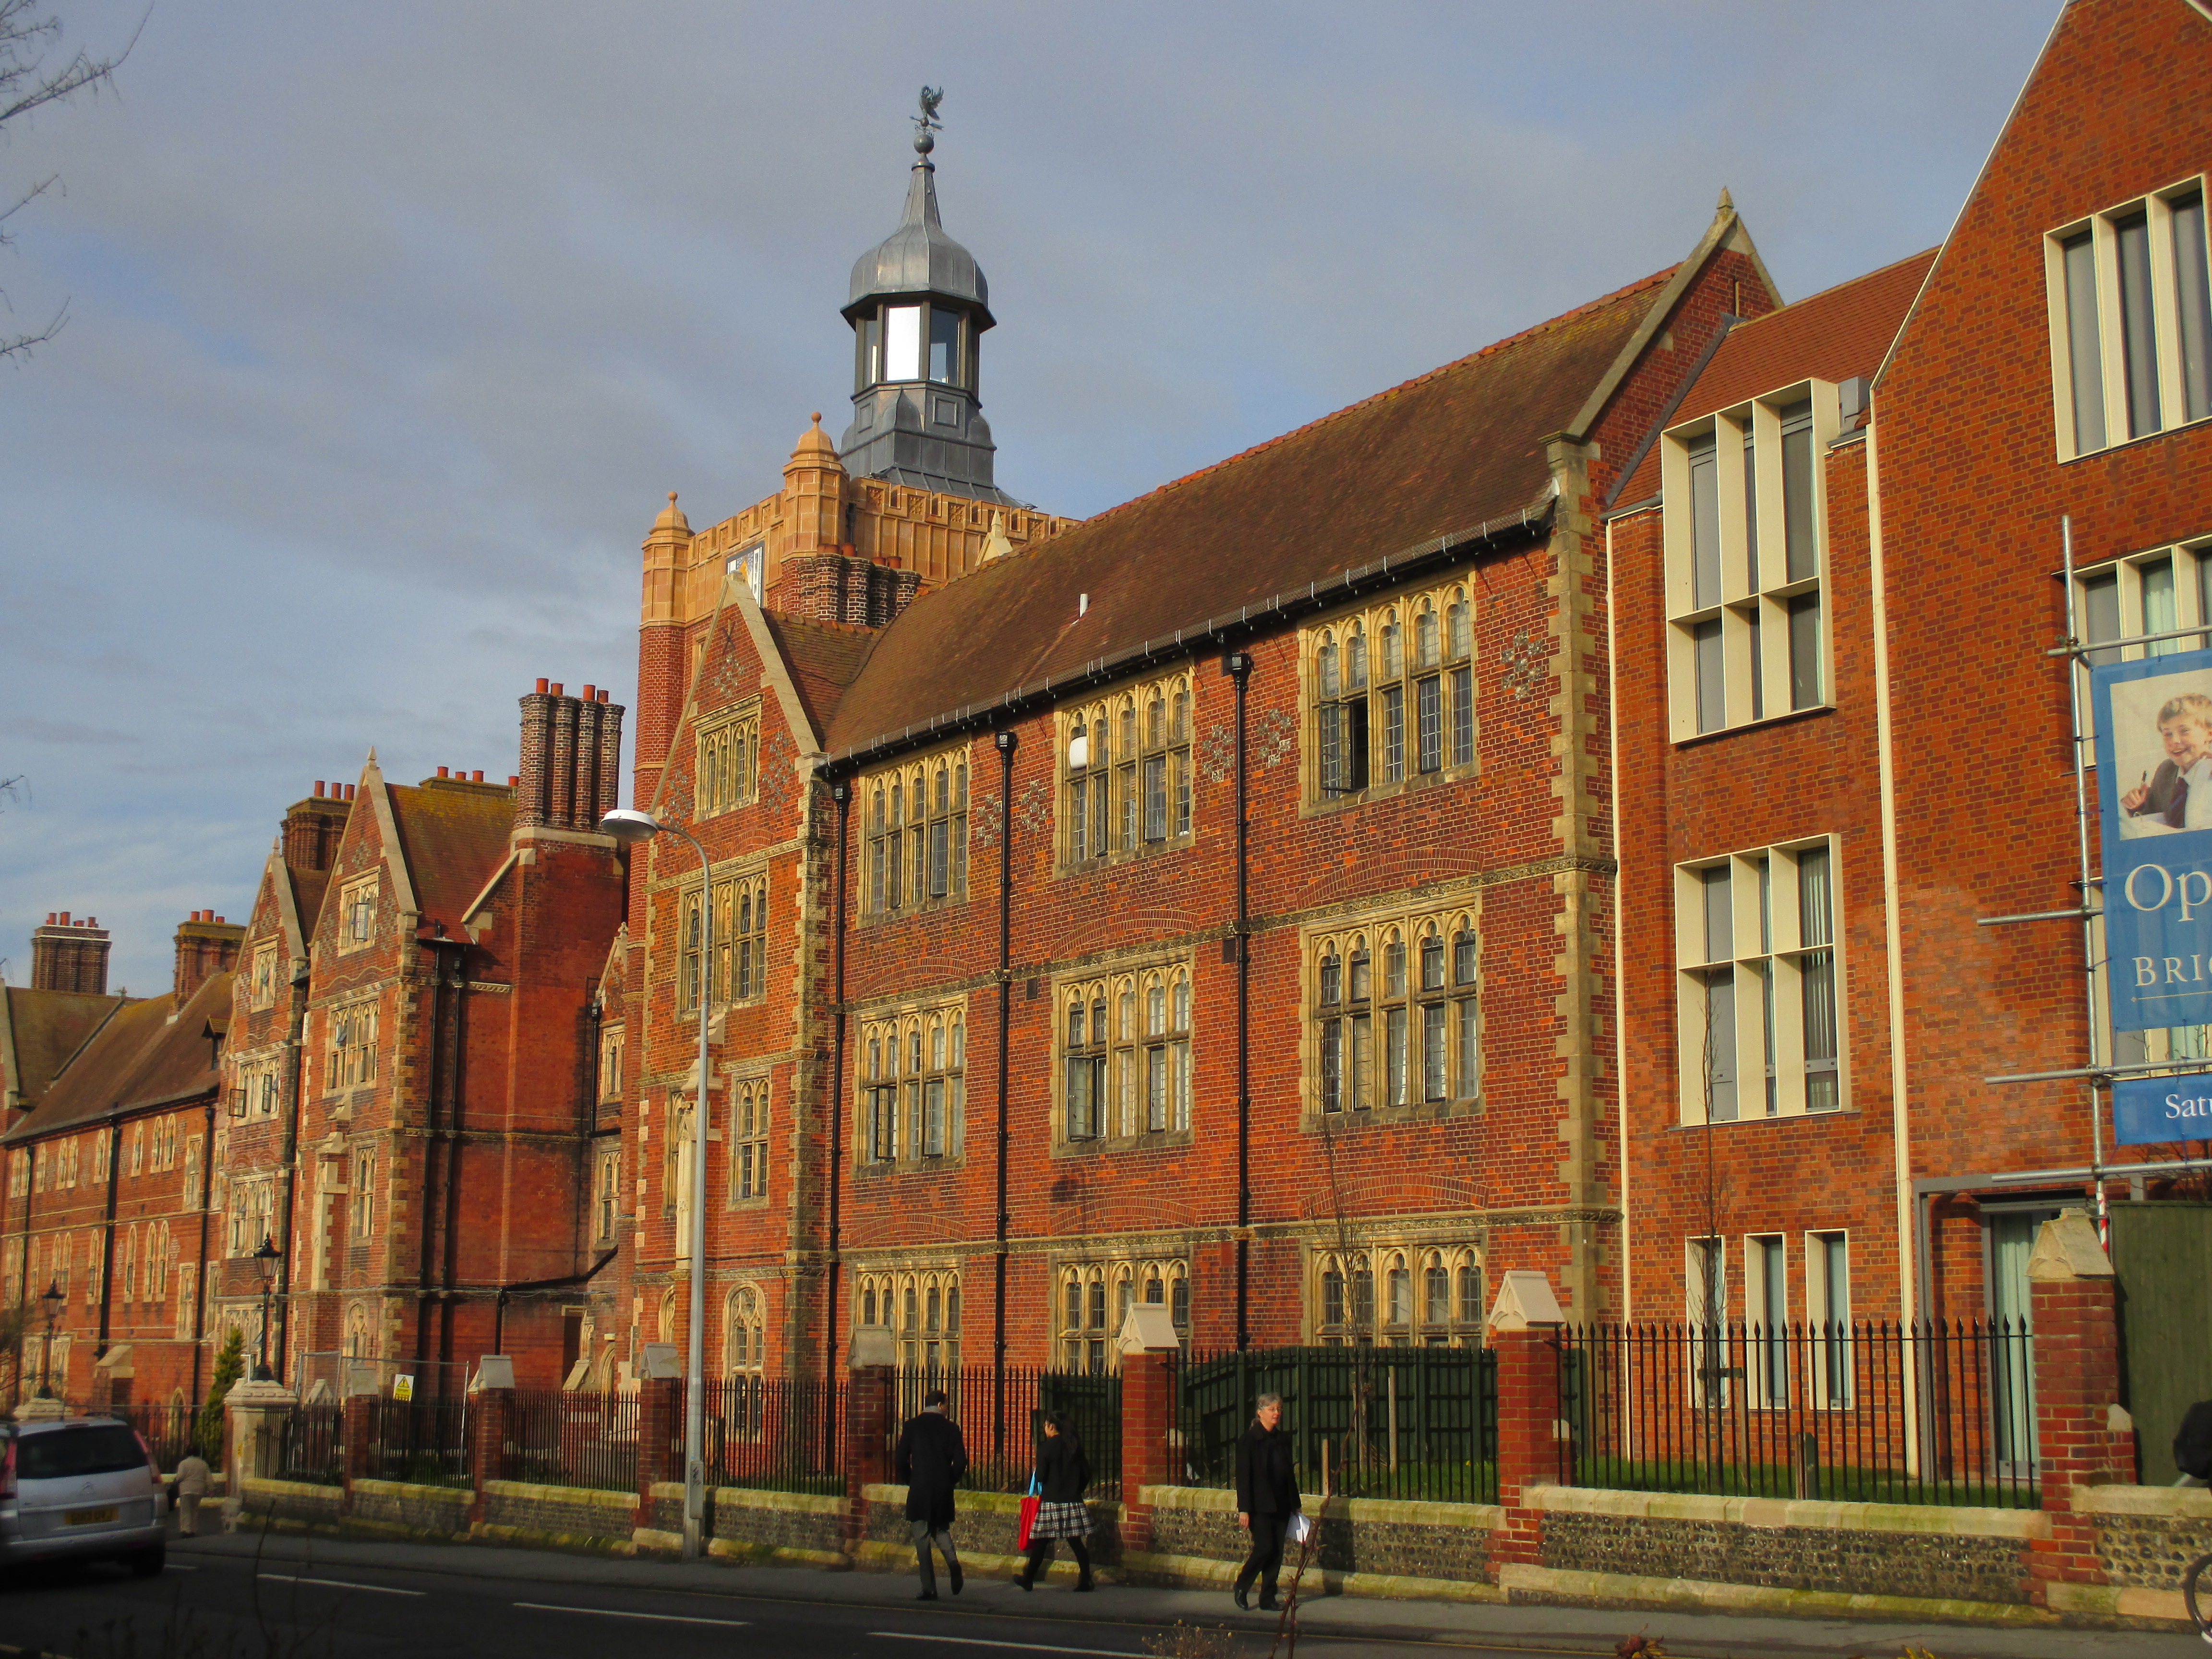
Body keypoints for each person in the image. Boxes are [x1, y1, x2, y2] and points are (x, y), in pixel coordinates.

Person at [893, 1386, 968, 1600]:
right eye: (947, 1406)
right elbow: (961, 1462)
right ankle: (953, 1563)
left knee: (922, 1537)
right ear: (940, 1405)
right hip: (942, 1488)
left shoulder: (912, 1426)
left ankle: (929, 1588)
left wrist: (910, 1478)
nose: (948, 1410)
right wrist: (949, 1479)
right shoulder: (952, 1429)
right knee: (941, 1530)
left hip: (920, 1487)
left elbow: (900, 1459)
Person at [1231, 1392, 1301, 1611]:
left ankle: (1268, 1598)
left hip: (1281, 1503)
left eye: (1279, 1409)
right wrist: (1244, 1509)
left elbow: (1288, 1474)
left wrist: (1295, 1503)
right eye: (1272, 1410)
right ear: (1260, 1413)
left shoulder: (1283, 1439)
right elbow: (1244, 1477)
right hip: (1259, 1505)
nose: (1277, 1413)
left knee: (1277, 1552)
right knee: (1264, 1548)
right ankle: (1242, 1585)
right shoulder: (1249, 1441)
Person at [1015, 1410, 1094, 1592]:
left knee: (1041, 1543)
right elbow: (1087, 1473)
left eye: (1045, 1425)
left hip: (1052, 1501)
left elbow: (1041, 1477)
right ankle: (1086, 1580)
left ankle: (1028, 1580)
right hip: (1072, 1501)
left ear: (1051, 1427)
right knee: (1076, 1543)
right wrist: (1077, 1489)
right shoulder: (1074, 1446)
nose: (1044, 1428)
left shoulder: (1045, 1448)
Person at [2121, 693, 2212, 831]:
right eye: (2168, 734)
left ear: (2209, 734)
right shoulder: (2166, 771)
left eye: (2184, 731)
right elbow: (2154, 813)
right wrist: (2137, 805)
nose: (2174, 741)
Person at [173, 1448, 212, 1538]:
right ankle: (193, 1529)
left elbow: (180, 1476)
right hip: (199, 1490)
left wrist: (175, 1481)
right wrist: (211, 1489)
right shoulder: (203, 1464)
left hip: (186, 1489)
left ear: (187, 1453)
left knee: (185, 1510)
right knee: (195, 1510)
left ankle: (186, 1530)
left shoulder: (184, 1463)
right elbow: (209, 1478)